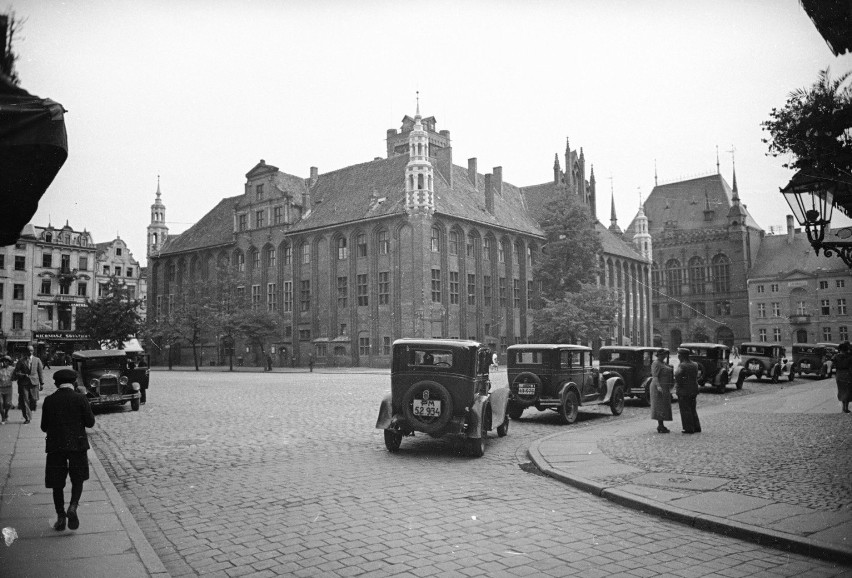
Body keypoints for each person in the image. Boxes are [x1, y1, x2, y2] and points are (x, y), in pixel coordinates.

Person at [41, 368, 95, 532]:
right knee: (77, 478)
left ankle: (60, 516)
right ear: (74, 382)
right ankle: (73, 506)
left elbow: (44, 427)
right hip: (77, 446)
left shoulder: (49, 400)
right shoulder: (80, 398)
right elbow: (90, 423)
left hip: (55, 446)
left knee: (57, 482)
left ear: (56, 383)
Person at [674, 347, 701, 434]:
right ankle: (696, 426)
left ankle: (689, 428)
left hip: (684, 390)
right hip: (694, 389)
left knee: (685, 409)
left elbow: (677, 376)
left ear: (680, 356)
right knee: (693, 408)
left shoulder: (682, 365)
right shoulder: (695, 364)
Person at [15, 344, 44, 424]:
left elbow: (40, 372)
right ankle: (27, 417)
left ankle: (30, 410)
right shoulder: (21, 361)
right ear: (25, 351)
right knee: (25, 400)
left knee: (34, 400)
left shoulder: (37, 360)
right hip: (24, 383)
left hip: (34, 383)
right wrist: (23, 375)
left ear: (33, 351)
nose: (30, 352)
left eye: (31, 350)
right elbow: (16, 372)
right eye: (28, 350)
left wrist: (42, 383)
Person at [650, 349, 674, 433]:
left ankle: (661, 425)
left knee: (663, 405)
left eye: (665, 355)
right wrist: (658, 386)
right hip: (658, 387)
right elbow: (655, 376)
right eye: (663, 355)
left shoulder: (663, 363)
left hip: (665, 387)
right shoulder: (656, 363)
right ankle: (660, 425)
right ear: (659, 355)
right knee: (659, 405)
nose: (665, 356)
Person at [834, 341, 851, 413]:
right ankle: (845, 408)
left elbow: (834, 365)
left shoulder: (835, 357)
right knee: (848, 391)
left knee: (841, 391)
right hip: (848, 375)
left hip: (839, 375)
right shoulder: (850, 357)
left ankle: (843, 407)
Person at [0, 355, 15, 424]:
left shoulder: (12, 369)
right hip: (0, 388)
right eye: (4, 361)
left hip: (8, 388)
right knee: (0, 403)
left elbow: (17, 374)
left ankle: (6, 413)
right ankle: (3, 417)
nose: (5, 362)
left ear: (9, 362)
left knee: (7, 404)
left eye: (7, 361)